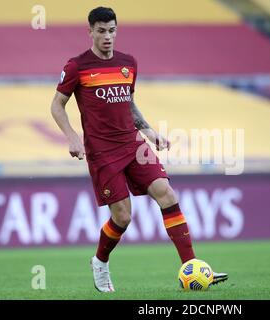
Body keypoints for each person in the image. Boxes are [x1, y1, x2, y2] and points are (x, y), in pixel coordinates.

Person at [50, 7, 228, 292]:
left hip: (133, 144)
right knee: (123, 217)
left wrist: (147, 130)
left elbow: (127, 102)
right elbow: (57, 105)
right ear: (90, 32)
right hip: (102, 151)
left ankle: (192, 265)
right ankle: (100, 261)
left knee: (167, 194)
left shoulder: (128, 63)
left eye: (112, 30)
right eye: (101, 31)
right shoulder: (77, 66)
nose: (107, 37)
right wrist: (72, 137)